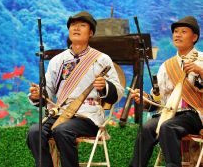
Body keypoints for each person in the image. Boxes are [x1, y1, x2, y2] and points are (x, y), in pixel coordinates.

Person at [26, 11, 124, 167]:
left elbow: (118, 91)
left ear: (91, 33)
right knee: (34, 132)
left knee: (62, 131)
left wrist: (104, 87)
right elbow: (48, 91)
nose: (76, 28)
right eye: (73, 25)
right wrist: (38, 94)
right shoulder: (58, 60)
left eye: (82, 25)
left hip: (87, 116)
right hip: (61, 113)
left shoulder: (101, 59)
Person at [129, 16, 203, 167]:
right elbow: (158, 101)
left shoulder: (201, 60)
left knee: (167, 127)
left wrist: (200, 71)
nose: (177, 35)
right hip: (169, 113)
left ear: (194, 37)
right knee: (146, 128)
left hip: (194, 114)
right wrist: (145, 98)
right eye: (175, 31)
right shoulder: (166, 65)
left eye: (183, 31)